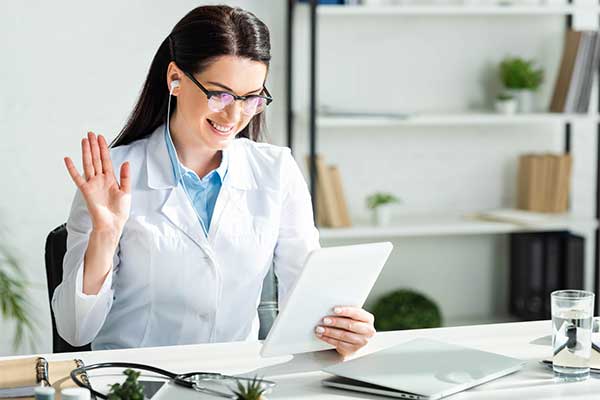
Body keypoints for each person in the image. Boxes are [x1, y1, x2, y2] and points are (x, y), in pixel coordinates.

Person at [52, 5, 375, 356]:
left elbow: (309, 299)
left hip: (234, 380)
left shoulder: (276, 170)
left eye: (251, 98)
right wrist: (105, 235)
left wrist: (344, 328)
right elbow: (74, 330)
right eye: (219, 94)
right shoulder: (112, 176)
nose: (234, 115)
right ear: (175, 79)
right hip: (135, 379)